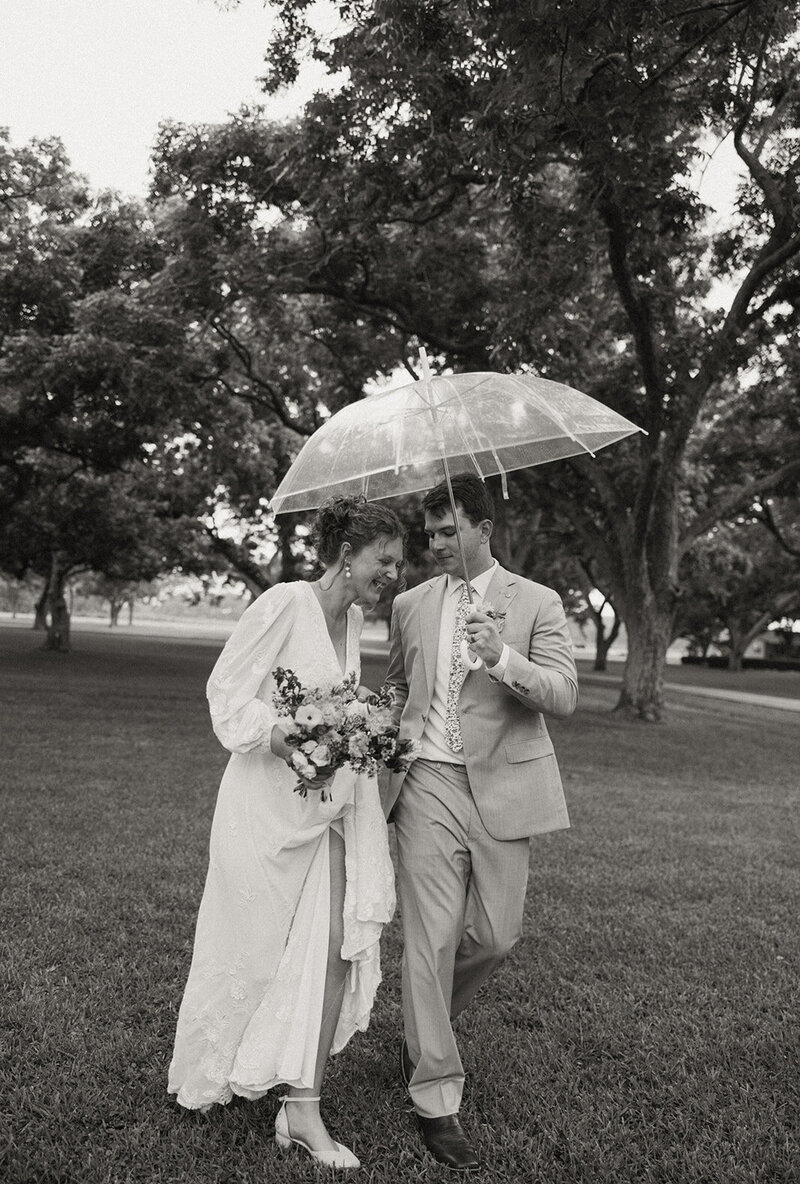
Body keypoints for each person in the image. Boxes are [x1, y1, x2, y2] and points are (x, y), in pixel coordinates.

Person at [168, 495, 405, 1171]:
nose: (391, 573)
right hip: (260, 811)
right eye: (384, 560)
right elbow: (226, 694)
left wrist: (369, 731)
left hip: (325, 813)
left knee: (331, 949)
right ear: (346, 553)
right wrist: (276, 734)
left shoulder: (355, 617)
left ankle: (302, 1107)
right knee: (248, 950)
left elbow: (338, 703)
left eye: (397, 562)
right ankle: (213, 1071)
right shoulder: (282, 604)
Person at [384, 473, 578, 1170]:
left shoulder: (538, 601)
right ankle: (436, 1094)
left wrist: (500, 657)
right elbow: (400, 687)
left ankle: (424, 1021)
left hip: (503, 788)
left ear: (483, 528)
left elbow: (563, 694)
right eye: (428, 533)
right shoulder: (409, 604)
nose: (434, 544)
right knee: (429, 940)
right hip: (427, 783)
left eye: (447, 531)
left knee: (495, 936)